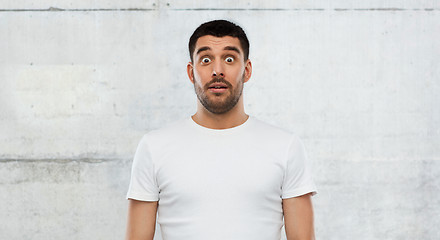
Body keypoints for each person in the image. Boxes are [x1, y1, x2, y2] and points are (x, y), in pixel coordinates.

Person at [125, 19, 317, 240]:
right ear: (191, 72)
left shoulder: (286, 147)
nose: (218, 70)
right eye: (206, 60)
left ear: (246, 70)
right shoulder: (154, 147)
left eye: (229, 59)